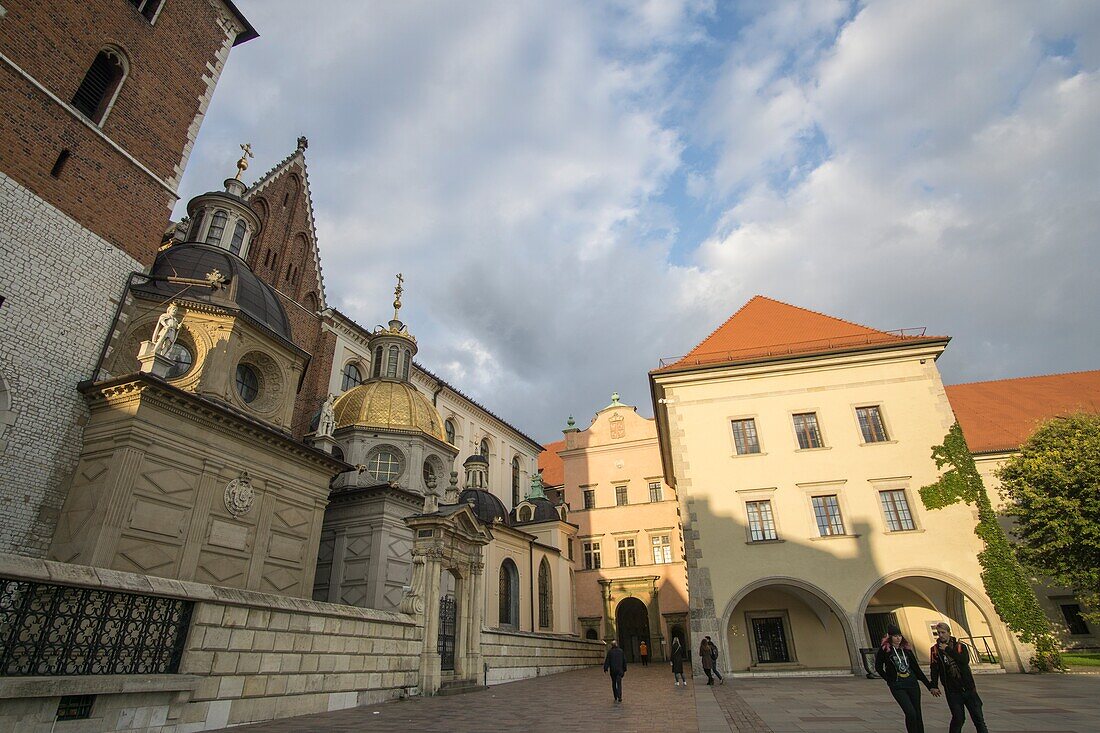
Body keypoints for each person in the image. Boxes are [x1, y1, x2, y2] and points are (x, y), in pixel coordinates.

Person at [875, 624, 939, 733]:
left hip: (912, 684)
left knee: (917, 713)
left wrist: (930, 686)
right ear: (890, 637)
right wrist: (888, 679)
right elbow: (878, 667)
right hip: (898, 686)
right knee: (910, 712)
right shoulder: (885, 650)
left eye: (899, 636)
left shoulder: (906, 650)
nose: (898, 638)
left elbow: (917, 669)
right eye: (895, 636)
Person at [929, 622, 988, 733]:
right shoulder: (935, 650)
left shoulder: (960, 646)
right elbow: (934, 668)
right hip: (952, 690)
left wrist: (948, 650)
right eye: (938, 633)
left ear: (949, 633)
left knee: (978, 719)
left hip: (968, 688)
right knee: (958, 719)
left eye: (943, 632)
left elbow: (964, 661)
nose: (941, 635)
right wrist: (934, 685)